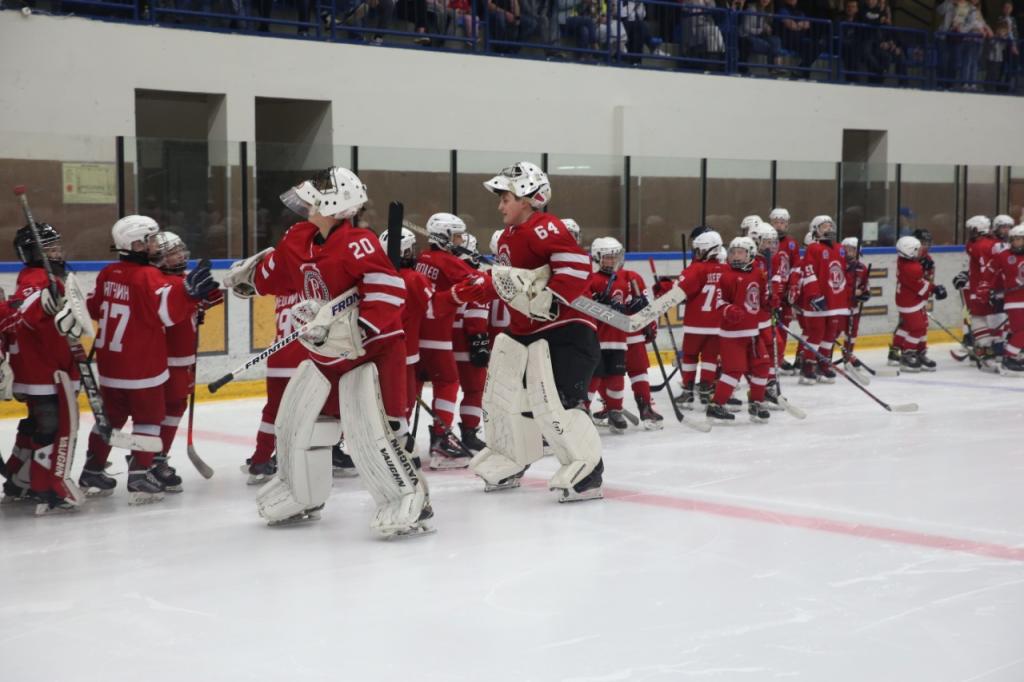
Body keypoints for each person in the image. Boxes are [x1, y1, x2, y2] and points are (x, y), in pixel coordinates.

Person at [223, 166, 430, 537]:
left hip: (372, 353)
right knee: (299, 423)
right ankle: (301, 491)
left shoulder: (359, 243)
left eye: (313, 201)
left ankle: (407, 497)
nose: (305, 206)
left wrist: (357, 328)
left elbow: (388, 294)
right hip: (325, 354)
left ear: (335, 204)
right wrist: (251, 279)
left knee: (375, 429)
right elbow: (279, 272)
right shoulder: (300, 237)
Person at [459, 161, 602, 502]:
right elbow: (513, 284)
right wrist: (480, 285)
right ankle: (512, 456)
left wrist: (552, 301)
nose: (500, 205)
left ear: (525, 197)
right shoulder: (510, 236)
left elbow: (577, 268)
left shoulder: (545, 227)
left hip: (565, 332)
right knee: (505, 400)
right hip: (527, 332)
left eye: (505, 197)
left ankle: (588, 467)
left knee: (557, 404)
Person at [84, 216, 216, 504]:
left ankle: (91, 470)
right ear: (137, 244)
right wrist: (189, 295)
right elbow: (167, 313)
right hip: (142, 367)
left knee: (111, 419)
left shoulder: (108, 273)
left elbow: (93, 307)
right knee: (148, 419)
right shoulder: (148, 276)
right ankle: (140, 476)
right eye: (152, 239)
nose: (157, 244)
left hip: (110, 366)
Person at [4, 223, 84, 514]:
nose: (56, 251)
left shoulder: (49, 277)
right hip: (44, 370)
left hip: (45, 366)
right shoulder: (37, 279)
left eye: (56, 246)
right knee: (52, 426)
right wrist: (42, 305)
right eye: (48, 248)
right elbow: (25, 311)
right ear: (32, 253)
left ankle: (17, 479)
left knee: (36, 424)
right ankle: (43, 488)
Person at [152, 231, 224, 490]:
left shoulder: (183, 279)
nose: (181, 255)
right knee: (162, 410)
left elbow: (211, 298)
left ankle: (156, 457)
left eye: (181, 250)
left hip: (184, 358)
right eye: (173, 252)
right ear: (159, 258)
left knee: (176, 407)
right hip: (166, 359)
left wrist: (204, 299)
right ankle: (150, 460)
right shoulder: (158, 282)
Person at [415, 212, 479, 468]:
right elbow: (476, 282)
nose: (460, 240)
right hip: (437, 334)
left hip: (414, 335)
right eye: (456, 235)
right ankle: (441, 442)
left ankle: (400, 442)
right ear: (443, 237)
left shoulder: (422, 258)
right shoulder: (446, 260)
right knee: (449, 381)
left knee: (413, 385)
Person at [379, 226, 434, 459]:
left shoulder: (379, 278)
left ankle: (384, 445)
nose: (414, 254)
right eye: (409, 250)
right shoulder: (414, 279)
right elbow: (434, 309)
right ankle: (398, 449)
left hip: (379, 352)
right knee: (403, 404)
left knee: (383, 403)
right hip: (406, 353)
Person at [706, 237, 771, 423]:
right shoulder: (726, 275)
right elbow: (719, 302)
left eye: (740, 252)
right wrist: (729, 310)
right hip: (732, 335)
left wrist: (770, 302)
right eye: (733, 252)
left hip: (753, 332)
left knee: (762, 366)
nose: (735, 256)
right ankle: (716, 406)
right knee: (734, 370)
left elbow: (761, 298)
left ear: (750, 254)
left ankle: (757, 403)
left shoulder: (759, 274)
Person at [661, 229, 725, 410]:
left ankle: (688, 391)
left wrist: (663, 287)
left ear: (707, 250)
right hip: (717, 326)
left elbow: (678, 291)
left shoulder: (696, 269)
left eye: (698, 250)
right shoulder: (725, 269)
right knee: (710, 358)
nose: (696, 253)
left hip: (696, 325)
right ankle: (706, 391)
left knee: (689, 357)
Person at [585, 237, 635, 433]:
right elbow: (583, 305)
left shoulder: (622, 280)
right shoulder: (592, 280)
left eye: (614, 257)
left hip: (618, 339)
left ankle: (614, 410)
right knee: (594, 376)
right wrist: (600, 303)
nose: (612, 261)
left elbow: (627, 306)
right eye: (607, 257)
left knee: (616, 375)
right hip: (597, 339)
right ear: (597, 258)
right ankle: (583, 410)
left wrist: (633, 306)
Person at [451, 234, 491, 453]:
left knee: (444, 389)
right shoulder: (475, 276)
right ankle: (468, 432)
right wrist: (479, 341)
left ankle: (440, 435)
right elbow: (475, 315)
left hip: (442, 343)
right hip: (466, 344)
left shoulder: (446, 274)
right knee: (475, 390)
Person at [796, 216, 845, 384]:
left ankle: (823, 363)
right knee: (816, 333)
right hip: (818, 300)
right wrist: (814, 296)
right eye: (824, 226)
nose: (829, 229)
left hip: (835, 300)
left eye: (830, 225)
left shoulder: (840, 248)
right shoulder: (813, 249)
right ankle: (808, 366)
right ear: (815, 230)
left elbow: (842, 272)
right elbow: (808, 273)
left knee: (830, 333)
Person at [953, 216, 1002, 367]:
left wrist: (984, 288)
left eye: (970, 230)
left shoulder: (978, 245)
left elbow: (985, 268)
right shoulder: (996, 243)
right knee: (997, 318)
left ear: (977, 229)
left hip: (982, 288)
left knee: (977, 318)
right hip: (999, 287)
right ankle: (999, 350)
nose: (969, 233)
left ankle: (985, 350)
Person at [892, 235, 946, 371]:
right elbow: (922, 288)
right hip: (910, 302)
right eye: (917, 249)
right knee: (917, 328)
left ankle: (918, 352)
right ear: (909, 252)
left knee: (918, 326)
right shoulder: (913, 268)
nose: (921, 250)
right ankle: (907, 354)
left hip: (909, 299)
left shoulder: (903, 260)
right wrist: (935, 289)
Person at [985, 224, 1024, 375]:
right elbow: (990, 273)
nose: (1016, 242)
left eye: (1020, 239)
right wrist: (987, 289)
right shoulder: (1004, 255)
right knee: (1022, 331)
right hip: (1014, 301)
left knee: (1017, 331)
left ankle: (1014, 355)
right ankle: (1009, 358)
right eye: (1014, 239)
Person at [769, 207, 800, 374]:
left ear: (787, 225)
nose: (778, 226)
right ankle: (768, 358)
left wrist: (793, 286)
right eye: (775, 222)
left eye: (782, 222)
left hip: (785, 293)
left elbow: (796, 266)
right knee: (768, 328)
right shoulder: (765, 240)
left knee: (783, 326)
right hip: (770, 291)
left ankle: (779, 358)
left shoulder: (792, 243)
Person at [838, 236, 871, 366]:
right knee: (833, 333)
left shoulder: (862, 268)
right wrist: (850, 292)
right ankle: (825, 358)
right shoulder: (838, 265)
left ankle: (848, 354)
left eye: (852, 250)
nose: (849, 252)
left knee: (851, 332)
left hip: (853, 306)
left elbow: (864, 285)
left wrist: (865, 293)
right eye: (846, 249)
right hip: (839, 306)